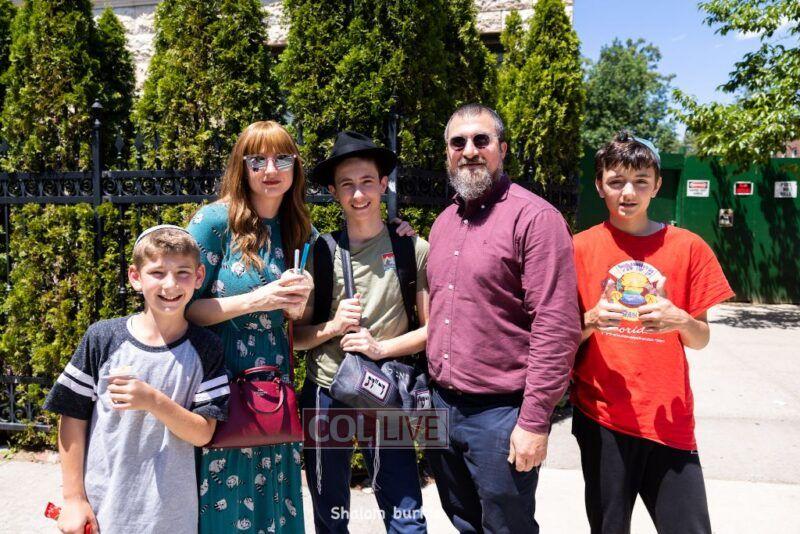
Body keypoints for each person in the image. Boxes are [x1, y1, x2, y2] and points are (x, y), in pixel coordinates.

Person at [425, 103, 581, 533]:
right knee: (463, 520)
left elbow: (556, 327)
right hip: (442, 408)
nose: (469, 151)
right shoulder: (443, 223)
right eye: (458, 142)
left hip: (501, 415)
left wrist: (534, 421)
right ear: (447, 153)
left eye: (482, 140)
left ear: (503, 149)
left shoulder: (536, 220)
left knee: (507, 527)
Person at [571, 132, 734, 534]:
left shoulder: (688, 247)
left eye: (640, 181)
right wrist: (590, 320)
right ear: (599, 185)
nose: (628, 192)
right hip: (602, 417)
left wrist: (680, 320)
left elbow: (701, 338)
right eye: (616, 181)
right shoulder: (577, 249)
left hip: (668, 420)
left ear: (657, 185)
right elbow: (559, 340)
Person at [43, 225, 230, 534]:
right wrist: (73, 499)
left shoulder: (207, 347)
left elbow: (202, 434)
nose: (170, 284)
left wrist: (152, 400)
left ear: (199, 277)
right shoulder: (102, 338)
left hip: (172, 517)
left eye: (182, 273)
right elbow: (72, 415)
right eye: (157, 272)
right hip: (104, 510)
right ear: (135, 277)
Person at [294, 131, 429, 533]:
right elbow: (297, 338)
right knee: (329, 512)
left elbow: (433, 331)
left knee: (405, 512)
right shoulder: (320, 253)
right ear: (334, 192)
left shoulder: (412, 249)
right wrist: (334, 326)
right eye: (347, 185)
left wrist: (380, 348)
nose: (358, 194)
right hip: (326, 392)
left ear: (383, 184)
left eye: (367, 182)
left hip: (385, 391)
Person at [186, 121, 314, 533]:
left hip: (274, 391)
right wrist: (261, 299)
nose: (270, 170)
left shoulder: (301, 230)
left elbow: (298, 321)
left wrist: (297, 305)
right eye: (257, 160)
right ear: (241, 167)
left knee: (275, 508)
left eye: (282, 159)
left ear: (296, 167)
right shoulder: (213, 222)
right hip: (220, 391)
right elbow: (183, 309)